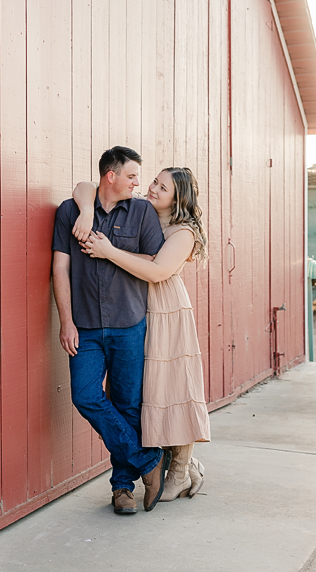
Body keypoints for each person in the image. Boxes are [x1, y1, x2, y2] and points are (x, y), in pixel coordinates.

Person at [72, 166, 210, 502]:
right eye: (154, 181)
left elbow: (158, 270)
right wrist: (89, 211)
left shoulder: (183, 232)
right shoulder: (140, 211)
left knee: (171, 386)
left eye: (162, 187)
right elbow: (85, 186)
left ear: (178, 198)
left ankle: (178, 472)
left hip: (165, 309)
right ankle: (176, 466)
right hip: (133, 306)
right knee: (146, 391)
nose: (152, 188)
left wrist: (109, 252)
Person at [51, 146, 171, 515]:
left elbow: (153, 260)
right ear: (111, 176)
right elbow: (59, 269)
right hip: (84, 327)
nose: (139, 183)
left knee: (127, 405)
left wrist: (109, 252)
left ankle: (122, 489)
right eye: (133, 175)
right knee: (85, 396)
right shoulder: (71, 211)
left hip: (129, 324)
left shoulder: (142, 213)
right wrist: (66, 321)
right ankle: (148, 462)